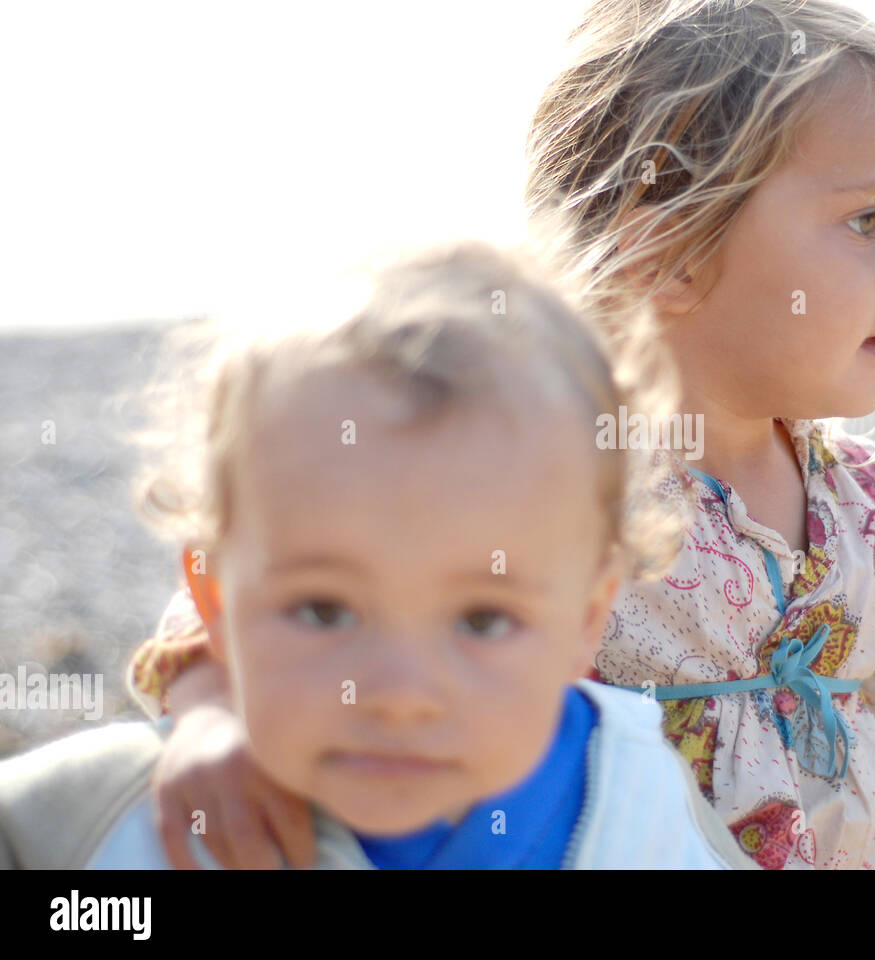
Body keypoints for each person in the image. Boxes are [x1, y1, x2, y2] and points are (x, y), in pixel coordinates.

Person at [121, 0, 875, 870]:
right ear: (668, 249)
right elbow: (277, 574)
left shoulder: (873, 516)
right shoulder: (546, 472)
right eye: (866, 219)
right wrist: (212, 717)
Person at [0, 240, 756, 870]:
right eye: (324, 610)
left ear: (585, 621)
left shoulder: (636, 799)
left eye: (485, 620)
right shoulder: (117, 825)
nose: (399, 693)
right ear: (214, 602)